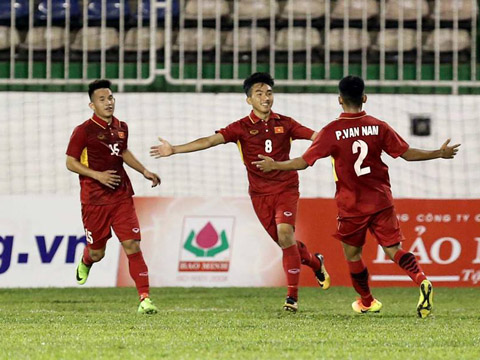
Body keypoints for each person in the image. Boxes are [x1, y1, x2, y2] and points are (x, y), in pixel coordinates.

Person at [253, 75, 460, 318]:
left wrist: (275, 165)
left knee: (353, 256)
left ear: (339, 100)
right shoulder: (378, 125)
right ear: (364, 98)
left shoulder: (331, 131)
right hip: (381, 200)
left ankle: (367, 300)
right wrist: (439, 153)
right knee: (394, 249)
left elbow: (303, 162)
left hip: (351, 205)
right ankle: (421, 279)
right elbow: (406, 154)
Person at [150, 72, 330, 312]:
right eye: (259, 93)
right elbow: (209, 141)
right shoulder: (241, 128)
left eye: (269, 93)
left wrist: (331, 147)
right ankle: (315, 262)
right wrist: (174, 149)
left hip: (286, 188)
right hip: (259, 195)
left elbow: (317, 137)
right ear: (249, 100)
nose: (266, 97)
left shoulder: (286, 123)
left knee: (285, 235)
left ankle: (292, 298)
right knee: (285, 244)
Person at [66, 79, 161, 314]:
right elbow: (70, 163)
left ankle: (145, 299)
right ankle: (87, 260)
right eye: (102, 99)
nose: (108, 103)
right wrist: (97, 175)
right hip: (94, 200)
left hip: (121, 196)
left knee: (132, 244)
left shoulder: (121, 127)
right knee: (98, 252)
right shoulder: (83, 131)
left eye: (110, 98)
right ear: (92, 105)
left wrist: (144, 171)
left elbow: (123, 151)